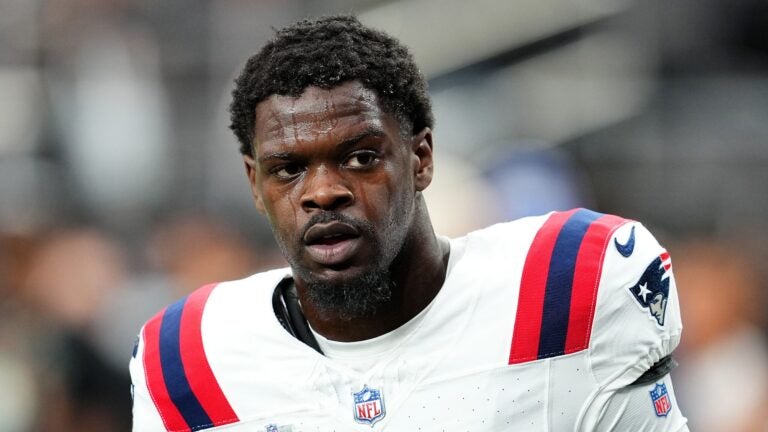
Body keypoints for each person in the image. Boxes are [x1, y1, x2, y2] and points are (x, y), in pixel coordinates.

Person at [130, 15, 688, 431]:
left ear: (420, 158)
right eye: (289, 169)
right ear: (255, 184)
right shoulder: (187, 359)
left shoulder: (572, 285)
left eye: (360, 157)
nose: (323, 191)